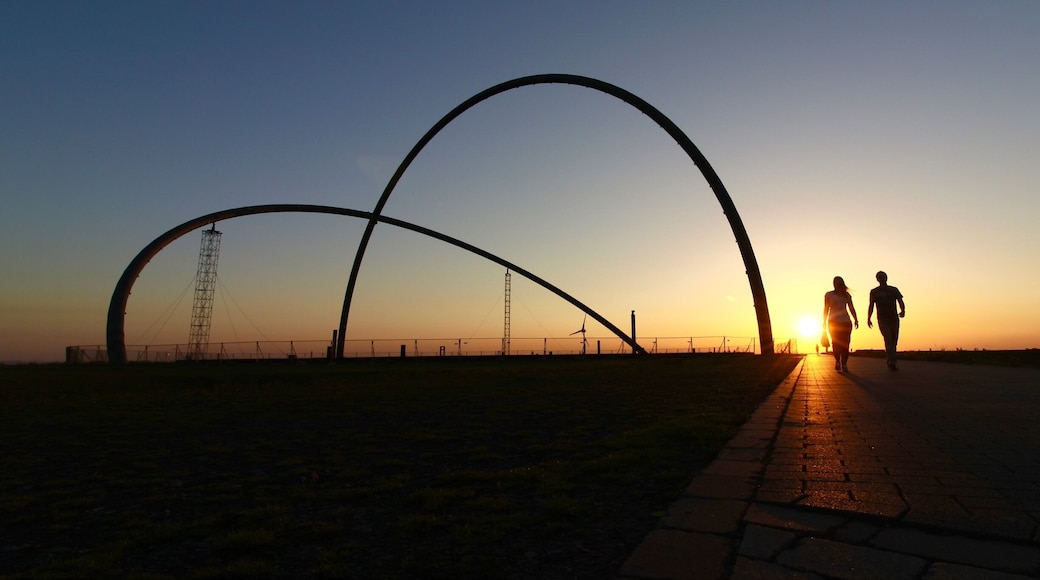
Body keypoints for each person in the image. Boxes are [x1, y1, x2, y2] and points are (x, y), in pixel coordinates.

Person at [867, 271, 906, 370]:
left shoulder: (893, 290)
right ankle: (892, 361)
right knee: (888, 339)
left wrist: (903, 310)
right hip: (882, 318)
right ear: (877, 279)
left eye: (883, 276)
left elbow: (900, 301)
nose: (882, 278)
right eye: (880, 277)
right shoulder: (874, 292)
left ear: (886, 278)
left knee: (894, 340)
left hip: (893, 317)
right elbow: (871, 305)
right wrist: (869, 318)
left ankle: (890, 358)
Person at [823, 276, 859, 372]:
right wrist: (824, 322)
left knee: (846, 344)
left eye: (839, 282)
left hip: (846, 322)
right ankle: (837, 361)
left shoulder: (846, 295)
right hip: (833, 322)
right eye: (836, 282)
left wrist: (856, 319)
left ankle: (844, 363)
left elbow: (851, 307)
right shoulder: (829, 295)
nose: (837, 284)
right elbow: (826, 309)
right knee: (835, 343)